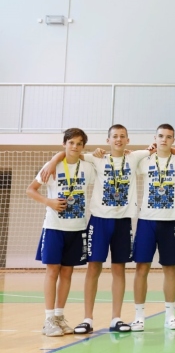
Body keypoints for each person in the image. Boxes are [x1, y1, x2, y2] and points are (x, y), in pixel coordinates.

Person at [41, 124, 150, 334]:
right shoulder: (96, 159)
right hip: (99, 221)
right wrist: (54, 159)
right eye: (114, 136)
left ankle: (116, 318)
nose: (118, 139)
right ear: (108, 140)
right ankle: (87, 319)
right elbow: (71, 152)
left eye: (122, 136)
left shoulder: (135, 157)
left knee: (119, 269)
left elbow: (159, 148)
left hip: (123, 221)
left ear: (128, 140)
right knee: (93, 268)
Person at [27, 128, 94, 337]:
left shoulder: (87, 167)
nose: (75, 146)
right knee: (52, 271)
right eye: (71, 142)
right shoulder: (52, 167)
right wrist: (49, 202)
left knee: (67, 273)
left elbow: (97, 159)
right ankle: (48, 320)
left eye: (79, 143)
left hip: (77, 228)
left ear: (83, 147)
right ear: (64, 143)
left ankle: (58, 316)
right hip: (54, 227)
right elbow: (30, 189)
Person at [131, 124, 175, 331]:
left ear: (173, 140)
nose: (164, 140)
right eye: (160, 136)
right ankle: (139, 317)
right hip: (146, 221)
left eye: (168, 137)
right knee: (141, 268)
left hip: (169, 221)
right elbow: (125, 157)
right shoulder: (144, 160)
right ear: (155, 138)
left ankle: (170, 315)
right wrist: (146, 151)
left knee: (170, 268)